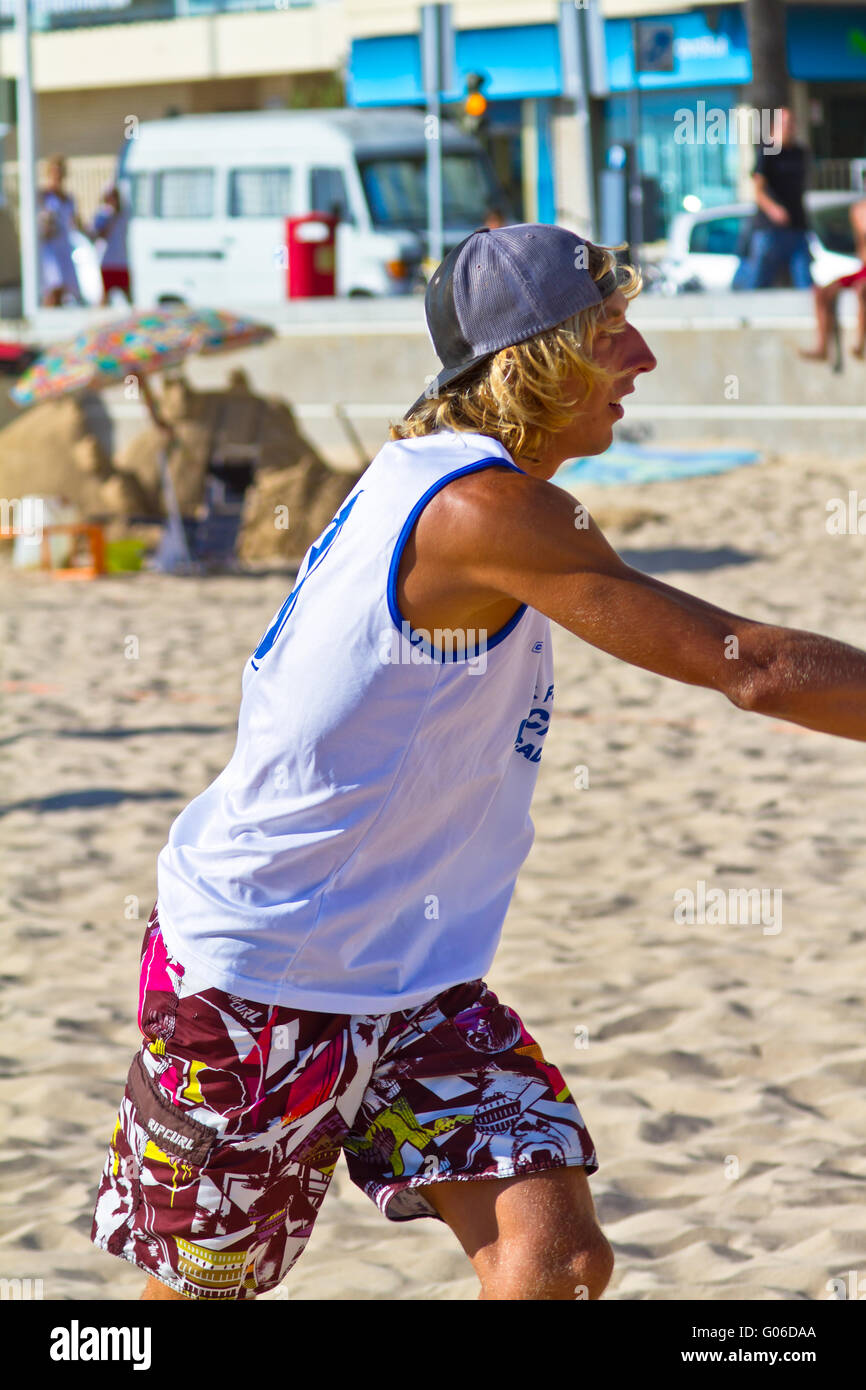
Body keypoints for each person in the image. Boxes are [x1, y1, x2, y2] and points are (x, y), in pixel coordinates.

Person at [91, 223, 866, 1302]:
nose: (639, 357)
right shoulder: (479, 508)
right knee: (209, 1293)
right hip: (256, 976)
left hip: (412, 981)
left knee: (557, 1259)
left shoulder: (444, 473)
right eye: (608, 334)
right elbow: (755, 668)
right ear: (527, 364)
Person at [735, 108, 812, 290]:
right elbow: (758, 191)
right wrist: (774, 209)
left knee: (805, 280)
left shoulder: (800, 153)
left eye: (791, 124)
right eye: (784, 124)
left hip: (797, 226)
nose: (789, 128)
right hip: (769, 229)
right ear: (774, 127)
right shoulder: (767, 152)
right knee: (759, 279)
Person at [799, 197, 866, 362]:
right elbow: (860, 245)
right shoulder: (858, 210)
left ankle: (859, 344)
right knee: (822, 292)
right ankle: (822, 348)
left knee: (862, 290)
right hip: (863, 269)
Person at [37, 155, 85, 307]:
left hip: (64, 245)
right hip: (50, 247)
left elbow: (75, 221)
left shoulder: (68, 197)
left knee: (66, 287)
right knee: (53, 286)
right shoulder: (44, 195)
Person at [91, 183, 131, 305]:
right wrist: (110, 218)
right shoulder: (103, 214)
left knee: (128, 293)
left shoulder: (124, 214)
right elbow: (98, 234)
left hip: (122, 261)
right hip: (107, 261)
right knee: (105, 294)